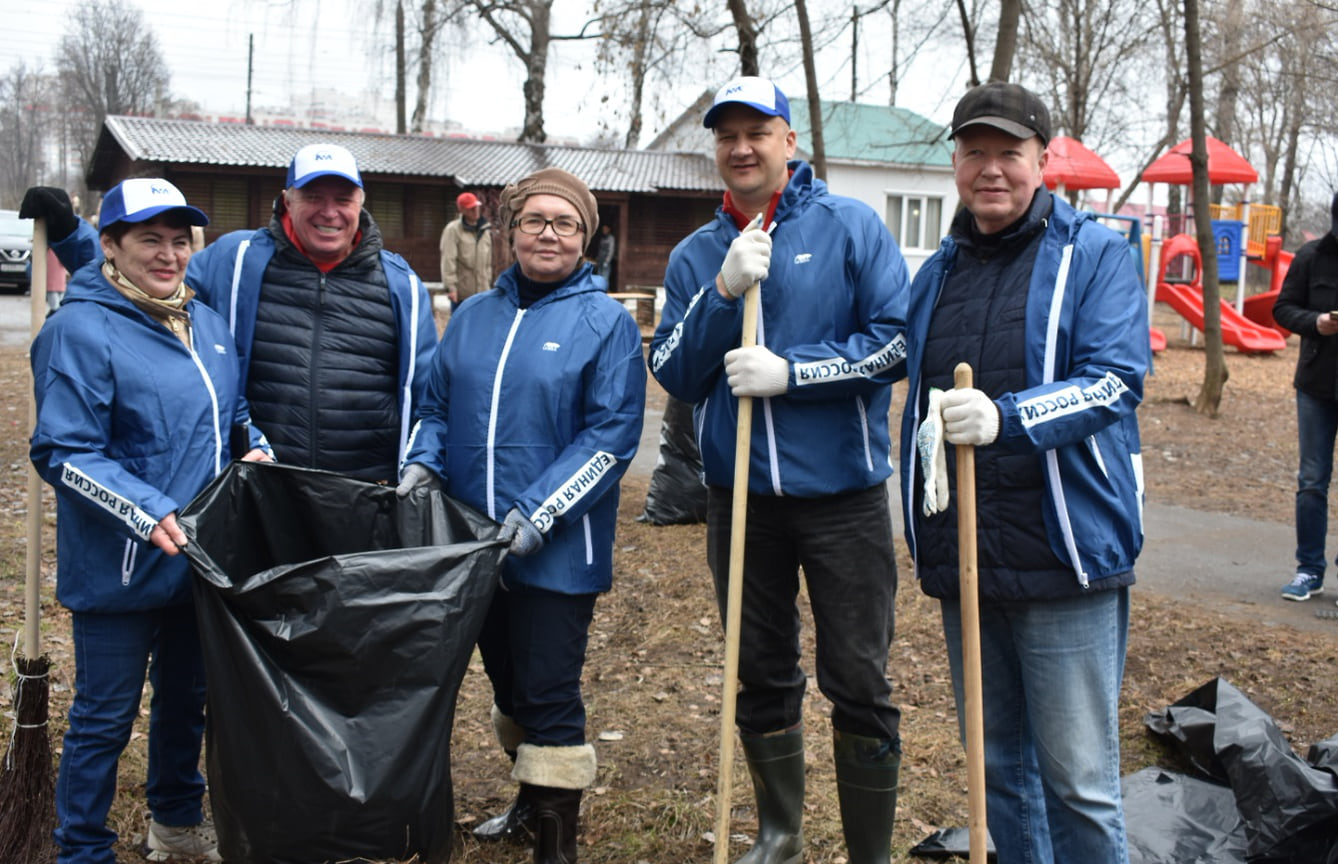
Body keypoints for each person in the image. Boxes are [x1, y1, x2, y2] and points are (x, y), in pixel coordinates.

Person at [649, 76, 909, 863]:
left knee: (858, 675)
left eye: (758, 131)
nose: (741, 148)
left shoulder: (852, 226)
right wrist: (723, 292)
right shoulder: (697, 254)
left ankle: (869, 850)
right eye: (727, 135)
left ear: (789, 143)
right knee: (760, 669)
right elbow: (673, 370)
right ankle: (779, 833)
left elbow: (894, 344)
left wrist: (792, 373)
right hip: (741, 502)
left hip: (845, 499)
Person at [900, 82, 1147, 864]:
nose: (992, 169)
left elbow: (1115, 379)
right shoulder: (936, 274)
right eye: (975, 152)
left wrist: (1010, 418)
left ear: (1043, 160)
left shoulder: (1095, 255)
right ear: (955, 163)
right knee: (999, 772)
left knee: (1079, 783)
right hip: (968, 557)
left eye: (1010, 152)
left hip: (1064, 556)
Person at [398, 167, 646, 863]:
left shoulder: (606, 325)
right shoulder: (474, 316)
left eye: (566, 224)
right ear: (509, 231)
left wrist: (538, 514)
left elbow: (610, 438)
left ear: (585, 239)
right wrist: (424, 459)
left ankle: (557, 844)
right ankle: (532, 802)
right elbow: (437, 407)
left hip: (555, 551)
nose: (549, 234)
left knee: (548, 691)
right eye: (535, 220)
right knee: (507, 687)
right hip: (473, 546)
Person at [25, 179, 272, 864]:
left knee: (186, 702)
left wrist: (252, 445)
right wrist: (146, 509)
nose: (168, 255)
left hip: (197, 561)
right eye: (148, 240)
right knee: (104, 718)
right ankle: (82, 848)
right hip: (120, 564)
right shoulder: (80, 330)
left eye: (178, 240)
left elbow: (231, 413)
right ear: (109, 245)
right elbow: (63, 452)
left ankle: (175, 822)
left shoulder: (205, 323)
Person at [27, 144, 438, 484]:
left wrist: (419, 465)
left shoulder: (401, 285)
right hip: (259, 488)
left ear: (360, 203)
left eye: (342, 198)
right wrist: (70, 234)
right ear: (288, 199)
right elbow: (145, 276)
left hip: (365, 494)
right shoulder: (237, 260)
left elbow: (427, 398)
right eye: (313, 196)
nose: (329, 212)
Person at [1273, 191, 1338, 602]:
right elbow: (1283, 309)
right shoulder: (1311, 256)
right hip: (1316, 386)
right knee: (1312, 481)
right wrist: (1316, 322)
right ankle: (1308, 570)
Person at [440, 189, 494, 312]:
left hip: (484, 293)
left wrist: (489, 283)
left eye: (476, 207)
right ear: (462, 210)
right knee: (461, 329)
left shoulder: (485, 230)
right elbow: (448, 260)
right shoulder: (452, 230)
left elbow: (488, 262)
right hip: (463, 295)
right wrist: (451, 288)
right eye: (471, 208)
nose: (475, 211)